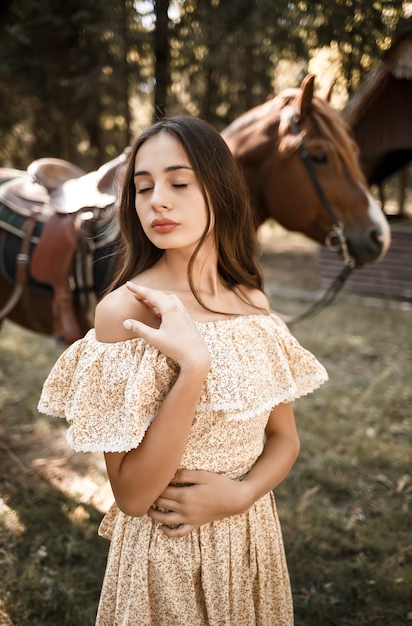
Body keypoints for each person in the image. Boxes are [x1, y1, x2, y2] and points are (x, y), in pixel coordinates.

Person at [38, 115, 328, 626]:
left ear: (219, 188)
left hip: (250, 536)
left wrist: (239, 495)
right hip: (166, 554)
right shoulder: (123, 312)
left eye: (178, 182)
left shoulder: (251, 302)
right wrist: (192, 367)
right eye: (142, 188)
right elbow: (131, 495)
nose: (157, 202)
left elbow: (284, 438)